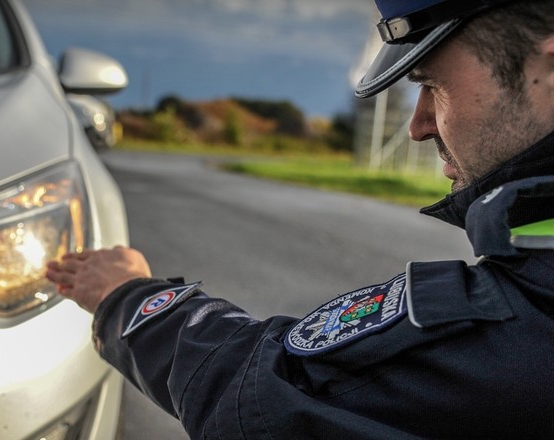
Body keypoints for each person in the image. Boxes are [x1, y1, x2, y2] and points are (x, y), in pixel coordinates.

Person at [47, 0, 554, 438]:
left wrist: (129, 297)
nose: (419, 127)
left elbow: (269, 392)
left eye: (434, 85)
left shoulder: (523, 324)